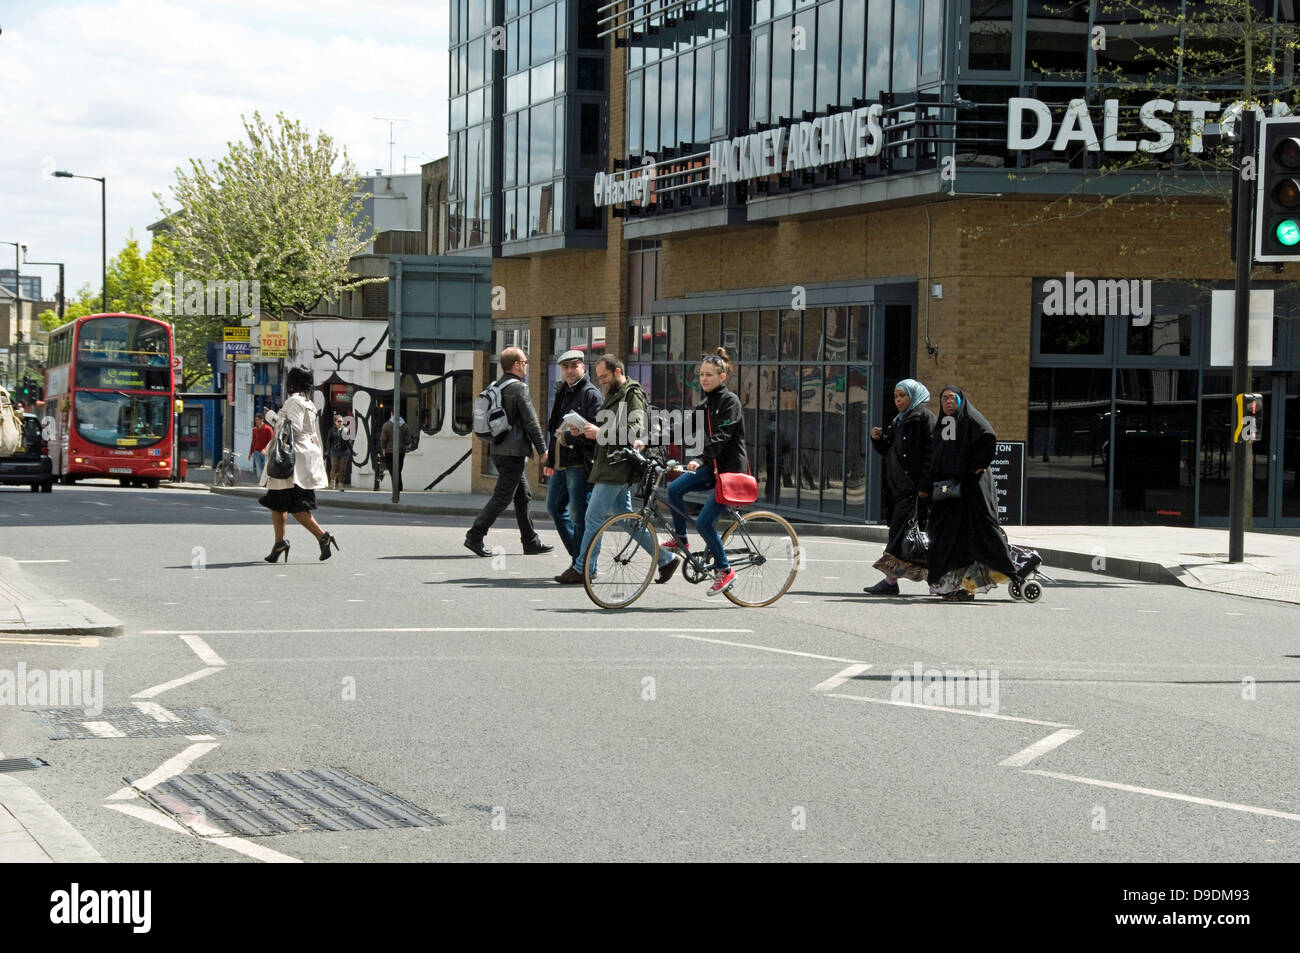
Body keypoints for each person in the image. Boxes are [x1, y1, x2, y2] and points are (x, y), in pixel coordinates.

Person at [555, 355, 675, 585]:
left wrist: (600, 433)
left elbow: (635, 429)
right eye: (599, 377)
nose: (601, 382)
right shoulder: (614, 393)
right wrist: (586, 431)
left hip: (617, 467)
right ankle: (666, 559)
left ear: (618, 371)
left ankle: (583, 568)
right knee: (625, 519)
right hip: (610, 464)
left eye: (604, 376)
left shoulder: (632, 393)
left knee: (593, 517)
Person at [661, 348, 749, 597]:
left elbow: (723, 436)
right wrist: (647, 440)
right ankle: (680, 538)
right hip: (712, 468)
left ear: (722, 377)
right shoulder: (706, 403)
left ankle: (725, 569)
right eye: (701, 375)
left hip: (729, 473)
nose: (704, 379)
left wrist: (699, 458)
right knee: (674, 488)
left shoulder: (730, 401)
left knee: (703, 523)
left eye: (709, 375)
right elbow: (682, 428)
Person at [918, 385, 1018, 601]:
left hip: (971, 492)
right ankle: (951, 586)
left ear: (961, 401)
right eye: (944, 398)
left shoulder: (970, 420)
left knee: (974, 537)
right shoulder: (945, 423)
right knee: (946, 538)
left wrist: (978, 465)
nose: (948, 402)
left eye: (952, 398)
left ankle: (970, 586)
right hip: (949, 493)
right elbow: (936, 455)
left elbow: (989, 436)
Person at [465, 347, 554, 557]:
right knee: (503, 496)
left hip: (498, 449)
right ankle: (475, 535)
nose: (526, 366)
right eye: (524, 362)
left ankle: (530, 541)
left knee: (523, 495)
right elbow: (531, 422)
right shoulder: (519, 389)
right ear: (516, 365)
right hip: (512, 452)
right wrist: (543, 449)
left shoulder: (496, 385)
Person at [258, 366, 338, 562]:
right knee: (277, 501)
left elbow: (291, 428)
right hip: (301, 458)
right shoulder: (308, 403)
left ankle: (323, 537)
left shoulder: (294, 401)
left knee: (297, 505)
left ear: (292, 384)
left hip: (292, 463)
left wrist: (271, 417)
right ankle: (279, 543)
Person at [865, 379, 937, 595]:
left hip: (914, 490)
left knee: (909, 538)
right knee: (905, 537)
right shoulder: (900, 420)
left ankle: (899, 581)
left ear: (914, 396)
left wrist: (924, 486)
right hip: (899, 490)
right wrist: (877, 440)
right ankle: (894, 581)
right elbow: (890, 450)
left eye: (902, 396)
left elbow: (930, 455)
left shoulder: (924, 418)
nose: (897, 400)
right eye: (895, 396)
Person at [544, 349, 603, 561]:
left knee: (580, 517)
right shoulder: (562, 390)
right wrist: (550, 458)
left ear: (583, 368)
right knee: (554, 508)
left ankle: (583, 564)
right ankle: (579, 558)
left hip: (579, 463)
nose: (569, 371)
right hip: (561, 462)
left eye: (574, 366)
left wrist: (570, 438)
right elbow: (555, 428)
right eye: (565, 367)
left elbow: (597, 432)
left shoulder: (591, 394)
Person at [380, 414, 413, 493]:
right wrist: (404, 446)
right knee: (398, 471)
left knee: (392, 471)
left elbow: (383, 439)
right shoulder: (405, 426)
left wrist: (383, 449)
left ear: (391, 414)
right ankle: (399, 489)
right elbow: (408, 440)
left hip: (389, 451)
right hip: (401, 451)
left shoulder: (386, 425)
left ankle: (396, 490)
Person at [326, 414, 351, 490]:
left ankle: (340, 484)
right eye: (339, 421)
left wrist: (351, 450)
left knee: (342, 468)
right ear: (335, 422)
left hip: (344, 451)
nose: (340, 423)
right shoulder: (332, 430)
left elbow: (348, 442)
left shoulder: (345, 430)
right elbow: (328, 441)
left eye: (341, 421)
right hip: (334, 451)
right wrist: (328, 451)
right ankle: (333, 482)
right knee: (334, 467)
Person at [249, 412, 273, 482]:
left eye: (258, 420)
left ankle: (266, 482)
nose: (256, 421)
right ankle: (260, 482)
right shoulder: (254, 430)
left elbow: (271, 441)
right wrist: (250, 453)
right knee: (259, 468)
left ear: (262, 420)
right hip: (257, 452)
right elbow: (253, 441)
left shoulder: (268, 429)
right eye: (255, 420)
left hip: (266, 452)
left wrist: (265, 449)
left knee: (265, 468)